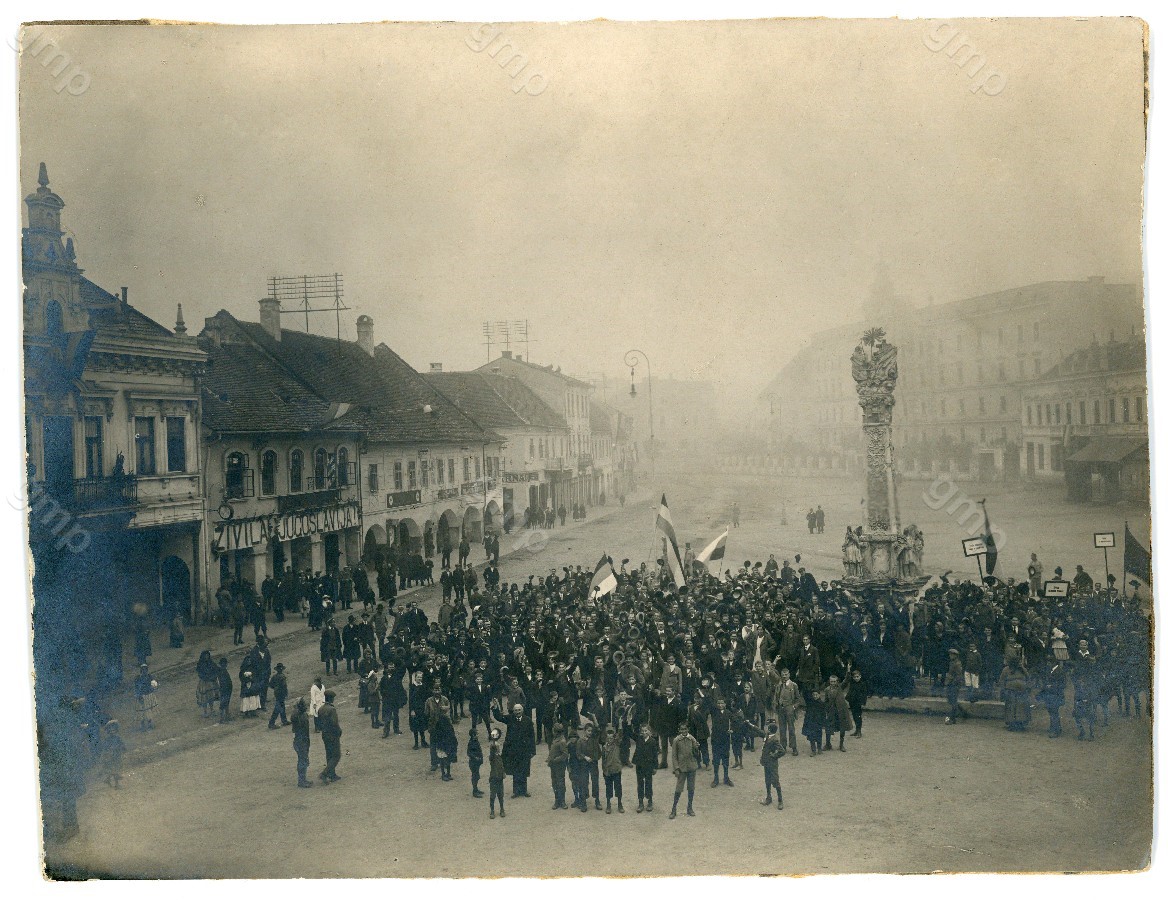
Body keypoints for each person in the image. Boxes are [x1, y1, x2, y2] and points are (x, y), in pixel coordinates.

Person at [668, 720, 700, 819]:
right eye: (682, 729)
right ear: (679, 730)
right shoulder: (676, 740)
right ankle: (674, 809)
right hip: (681, 768)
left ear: (688, 729)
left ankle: (689, 808)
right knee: (678, 789)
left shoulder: (692, 739)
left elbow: (696, 753)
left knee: (691, 788)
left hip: (691, 767)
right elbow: (674, 756)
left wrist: (696, 748)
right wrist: (676, 768)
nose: (684, 731)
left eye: (685, 729)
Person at [757, 719, 785, 809]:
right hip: (766, 762)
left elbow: (782, 751)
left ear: (769, 729)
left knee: (775, 781)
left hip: (772, 764)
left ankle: (780, 800)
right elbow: (760, 732)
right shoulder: (768, 735)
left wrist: (774, 755)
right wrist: (751, 725)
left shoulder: (774, 739)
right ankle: (769, 797)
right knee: (767, 780)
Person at [1037, 657, 1067, 738]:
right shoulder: (1050, 670)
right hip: (1050, 695)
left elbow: (1063, 684)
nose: (1048, 664)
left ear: (1054, 663)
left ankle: (1055, 730)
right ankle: (1056, 727)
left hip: (1056, 695)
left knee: (1054, 712)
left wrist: (1052, 686)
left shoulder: (1060, 671)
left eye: (1049, 662)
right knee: (1052, 711)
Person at [774, 668, 802, 755]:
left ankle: (794, 747)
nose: (784, 676)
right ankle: (783, 747)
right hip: (781, 709)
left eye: (786, 674)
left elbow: (798, 699)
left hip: (789, 709)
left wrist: (794, 707)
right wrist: (776, 706)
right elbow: (776, 697)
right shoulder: (778, 686)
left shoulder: (794, 685)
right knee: (782, 729)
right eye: (783, 675)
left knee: (791, 729)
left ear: (789, 675)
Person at [317, 689, 343, 783]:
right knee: (336, 755)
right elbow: (334, 723)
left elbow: (318, 724)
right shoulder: (332, 709)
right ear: (331, 699)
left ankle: (332, 774)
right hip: (333, 734)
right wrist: (339, 731)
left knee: (329, 755)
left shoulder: (321, 709)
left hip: (325, 734)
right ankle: (325, 773)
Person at [1000, 657, 1031, 732]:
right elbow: (1002, 680)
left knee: (1021, 708)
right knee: (1011, 708)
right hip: (1011, 692)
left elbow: (1028, 677)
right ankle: (1012, 724)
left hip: (1022, 692)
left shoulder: (1022, 669)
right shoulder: (1006, 669)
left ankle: (1020, 724)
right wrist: (1003, 690)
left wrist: (1028, 687)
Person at [632, 723, 657, 813]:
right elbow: (631, 733)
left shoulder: (653, 741)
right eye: (642, 731)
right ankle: (640, 802)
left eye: (646, 730)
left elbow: (655, 755)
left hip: (649, 766)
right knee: (640, 783)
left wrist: (655, 767)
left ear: (649, 731)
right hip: (639, 765)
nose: (644, 732)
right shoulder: (639, 739)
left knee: (649, 783)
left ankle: (650, 801)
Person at [601, 725, 625, 813]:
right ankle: (608, 804)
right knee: (608, 788)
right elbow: (603, 760)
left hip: (616, 770)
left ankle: (620, 804)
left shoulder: (617, 744)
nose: (610, 740)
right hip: (608, 771)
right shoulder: (604, 748)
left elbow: (620, 734)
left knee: (618, 787)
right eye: (608, 738)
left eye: (611, 738)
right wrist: (604, 770)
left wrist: (620, 723)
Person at [291, 698, 313, 788]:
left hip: (298, 740)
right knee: (303, 760)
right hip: (302, 741)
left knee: (302, 760)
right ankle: (301, 781)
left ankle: (303, 779)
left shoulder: (296, 715)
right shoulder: (302, 717)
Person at [547, 723, 568, 809]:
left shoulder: (562, 741)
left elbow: (565, 755)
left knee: (560, 783)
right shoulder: (555, 739)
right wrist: (549, 758)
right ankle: (557, 800)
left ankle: (562, 801)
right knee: (554, 783)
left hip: (559, 766)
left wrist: (555, 760)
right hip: (553, 765)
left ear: (556, 732)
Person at [99, 720, 125, 789]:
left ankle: (108, 779)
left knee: (114, 769)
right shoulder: (107, 739)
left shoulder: (118, 738)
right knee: (114, 770)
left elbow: (122, 745)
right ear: (108, 731)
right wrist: (108, 752)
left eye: (114, 730)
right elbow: (105, 748)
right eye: (110, 730)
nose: (112, 732)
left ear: (116, 730)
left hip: (117, 755)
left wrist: (122, 748)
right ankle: (116, 784)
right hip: (110, 756)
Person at [487, 728, 506, 819]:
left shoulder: (500, 758)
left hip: (500, 777)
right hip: (494, 777)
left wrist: (503, 773)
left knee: (500, 795)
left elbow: (501, 766)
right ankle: (492, 810)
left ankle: (502, 809)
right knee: (493, 795)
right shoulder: (493, 758)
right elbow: (491, 757)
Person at [196, 650, 220, 718]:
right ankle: (205, 711)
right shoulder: (200, 664)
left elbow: (216, 670)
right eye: (205, 655)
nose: (206, 657)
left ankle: (212, 710)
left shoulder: (211, 663)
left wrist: (213, 677)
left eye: (207, 655)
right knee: (204, 698)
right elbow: (200, 674)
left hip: (211, 682)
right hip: (204, 682)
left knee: (211, 697)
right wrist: (207, 678)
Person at [944, 649, 965, 725]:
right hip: (950, 683)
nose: (950, 656)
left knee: (953, 701)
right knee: (951, 700)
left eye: (952, 655)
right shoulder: (952, 663)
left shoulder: (957, 664)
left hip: (954, 684)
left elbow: (958, 675)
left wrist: (953, 683)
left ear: (956, 656)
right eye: (950, 654)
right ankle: (958, 714)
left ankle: (952, 718)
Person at [134, 664, 158, 731]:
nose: (144, 671)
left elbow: (154, 685)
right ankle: (142, 725)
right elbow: (137, 688)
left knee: (148, 711)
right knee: (141, 712)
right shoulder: (138, 678)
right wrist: (138, 695)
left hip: (148, 696)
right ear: (141, 671)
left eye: (145, 670)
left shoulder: (149, 677)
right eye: (143, 670)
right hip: (141, 696)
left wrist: (153, 687)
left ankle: (149, 724)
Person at [467, 727, 485, 798]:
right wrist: (475, 757)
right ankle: (474, 791)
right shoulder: (471, 743)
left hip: (477, 762)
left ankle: (476, 789)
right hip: (473, 763)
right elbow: (469, 753)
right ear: (473, 735)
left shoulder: (475, 740)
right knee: (475, 776)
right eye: (477, 734)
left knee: (477, 776)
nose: (478, 735)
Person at [216, 658, 233, 723]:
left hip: (227, 689)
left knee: (226, 703)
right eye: (224, 663)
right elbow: (221, 682)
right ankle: (222, 718)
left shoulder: (223, 670)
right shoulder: (220, 671)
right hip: (224, 689)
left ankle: (226, 716)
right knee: (223, 703)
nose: (225, 665)